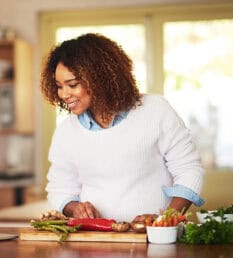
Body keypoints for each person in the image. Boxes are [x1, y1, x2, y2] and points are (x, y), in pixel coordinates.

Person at [40, 33, 205, 222]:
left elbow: (189, 170)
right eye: (59, 86)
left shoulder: (155, 110)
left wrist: (166, 219)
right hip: (97, 243)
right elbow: (59, 189)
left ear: (99, 79)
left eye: (72, 84)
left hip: (155, 238)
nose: (64, 94)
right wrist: (76, 208)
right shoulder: (66, 131)